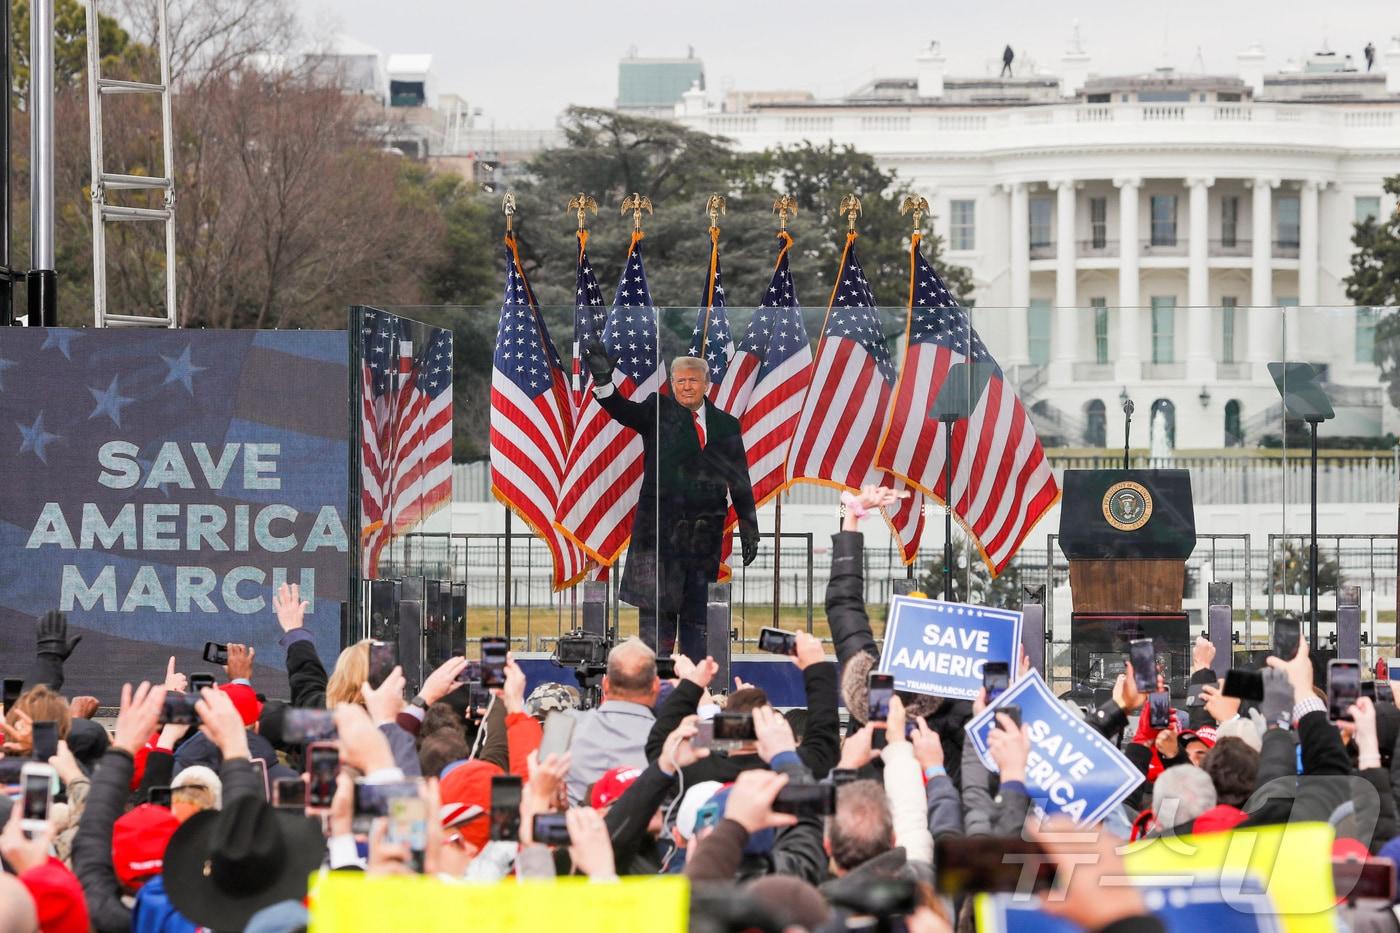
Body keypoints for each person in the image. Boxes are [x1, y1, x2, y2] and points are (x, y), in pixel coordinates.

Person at [583, 345, 760, 660]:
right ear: (672, 385)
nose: (687, 386)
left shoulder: (726, 424)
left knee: (697, 621)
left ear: (707, 384)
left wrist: (748, 525)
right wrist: (604, 384)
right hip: (660, 538)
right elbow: (623, 410)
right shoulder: (657, 411)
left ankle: (693, 687)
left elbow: (739, 480)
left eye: (693, 380)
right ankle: (654, 685)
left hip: (703, 539)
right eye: (680, 381)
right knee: (656, 624)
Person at [564, 638, 659, 805]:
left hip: (574, 827)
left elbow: (540, 786)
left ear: (605, 684)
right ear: (656, 686)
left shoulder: (564, 725)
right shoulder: (672, 742)